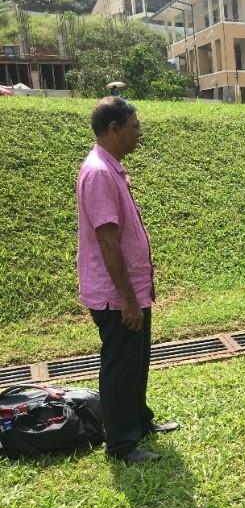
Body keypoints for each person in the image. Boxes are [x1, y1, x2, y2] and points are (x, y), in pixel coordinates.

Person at [76, 97, 179, 465]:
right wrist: (128, 300)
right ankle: (121, 444)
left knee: (136, 361)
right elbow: (107, 241)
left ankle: (140, 423)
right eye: (134, 126)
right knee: (120, 366)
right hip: (116, 295)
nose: (140, 133)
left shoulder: (111, 167)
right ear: (113, 128)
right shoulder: (99, 173)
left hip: (132, 290)